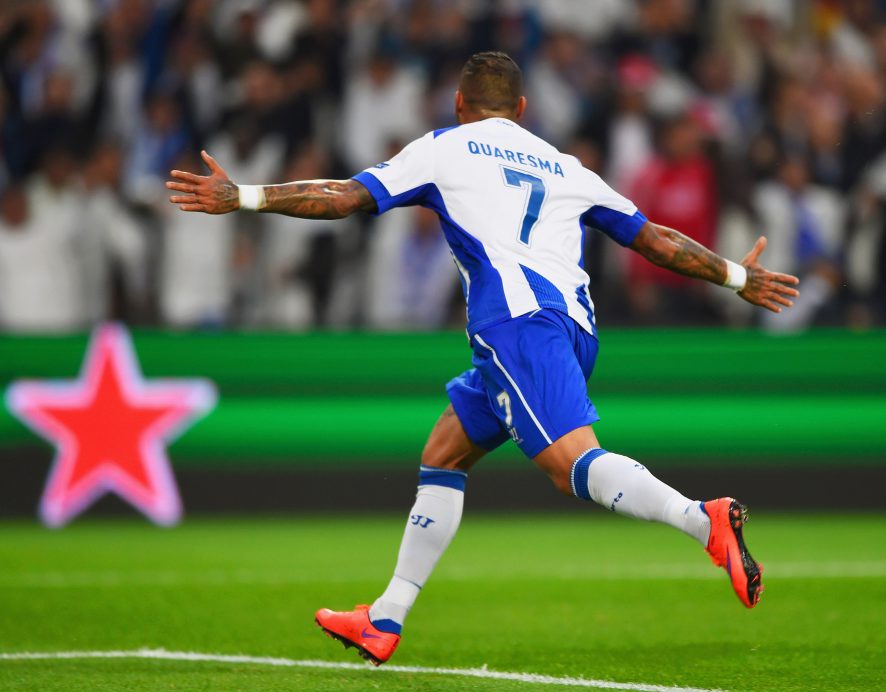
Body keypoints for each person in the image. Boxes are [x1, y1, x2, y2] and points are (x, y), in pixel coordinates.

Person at [166, 51, 799, 666]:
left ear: (459, 103)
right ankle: (385, 618)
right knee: (446, 449)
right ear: (521, 109)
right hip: (573, 329)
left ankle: (702, 519)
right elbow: (655, 240)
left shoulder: (444, 147)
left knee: (570, 464)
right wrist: (737, 277)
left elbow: (343, 197)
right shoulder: (563, 164)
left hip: (516, 326)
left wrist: (243, 196)